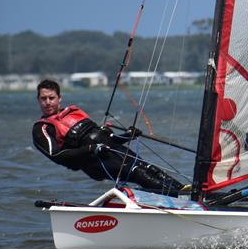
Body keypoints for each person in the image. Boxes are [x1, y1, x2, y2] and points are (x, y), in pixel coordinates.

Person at [33, 79, 186, 196]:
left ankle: (186, 193)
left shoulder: (74, 112)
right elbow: (57, 155)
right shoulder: (42, 128)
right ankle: (179, 198)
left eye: (51, 98)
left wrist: (127, 136)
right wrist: (91, 149)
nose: (47, 103)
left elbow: (107, 138)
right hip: (94, 162)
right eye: (43, 98)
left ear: (59, 98)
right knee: (137, 172)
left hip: (111, 150)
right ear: (38, 100)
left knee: (149, 168)